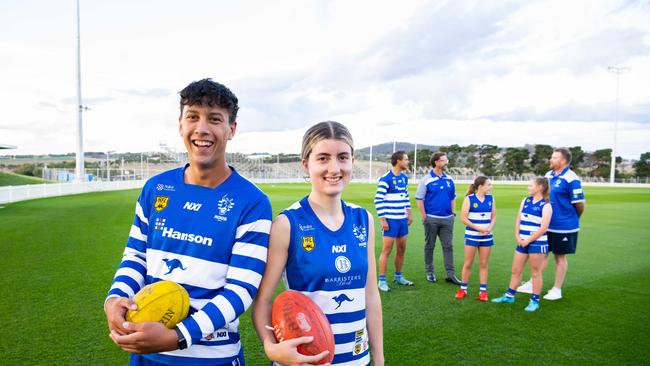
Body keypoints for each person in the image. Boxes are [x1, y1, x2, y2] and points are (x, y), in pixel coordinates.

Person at [104, 79, 272, 365]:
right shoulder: (155, 188)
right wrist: (115, 299)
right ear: (180, 124)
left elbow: (241, 290)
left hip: (213, 358)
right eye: (192, 116)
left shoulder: (252, 203)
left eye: (215, 119)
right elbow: (135, 257)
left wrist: (178, 336)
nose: (202, 128)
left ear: (231, 130)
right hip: (148, 354)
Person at [252, 121, 384, 366]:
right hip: (303, 361)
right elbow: (263, 300)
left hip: (357, 360)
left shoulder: (363, 220)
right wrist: (272, 349)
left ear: (352, 162)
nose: (334, 168)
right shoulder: (287, 224)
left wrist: (379, 359)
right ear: (306, 164)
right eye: (323, 158)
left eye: (343, 157)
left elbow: (371, 293)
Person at [517, 148, 585, 300]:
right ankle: (532, 282)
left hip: (564, 226)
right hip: (546, 225)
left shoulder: (571, 178)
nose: (551, 160)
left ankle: (557, 289)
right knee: (542, 254)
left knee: (560, 257)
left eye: (554, 158)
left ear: (563, 161)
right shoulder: (548, 176)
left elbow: (580, 204)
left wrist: (572, 219)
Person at [492, 178, 552, 312]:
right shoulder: (526, 200)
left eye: (531, 185)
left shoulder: (546, 205)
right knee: (515, 270)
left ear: (540, 187)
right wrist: (517, 236)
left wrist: (528, 240)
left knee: (535, 273)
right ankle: (509, 296)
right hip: (522, 241)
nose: (528, 187)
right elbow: (519, 219)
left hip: (537, 243)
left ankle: (534, 301)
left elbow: (543, 228)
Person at [415, 152, 461, 285]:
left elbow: (453, 197)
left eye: (446, 160)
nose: (446, 162)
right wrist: (424, 217)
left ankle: (450, 275)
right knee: (430, 246)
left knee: (448, 246)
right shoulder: (426, 180)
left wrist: (453, 213)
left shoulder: (449, 179)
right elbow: (419, 199)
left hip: (447, 219)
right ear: (436, 162)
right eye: (444, 160)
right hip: (431, 219)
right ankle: (430, 272)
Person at [375, 150, 414, 292]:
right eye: (406, 159)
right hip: (390, 220)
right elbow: (378, 199)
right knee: (387, 250)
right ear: (398, 161)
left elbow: (406, 197)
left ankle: (398, 277)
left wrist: (409, 213)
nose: (408, 161)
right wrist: (383, 219)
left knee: (402, 249)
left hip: (402, 219)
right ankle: (382, 280)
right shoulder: (386, 179)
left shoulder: (404, 178)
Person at [455, 176, 496, 302]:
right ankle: (463, 289)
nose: (490, 187)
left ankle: (483, 291)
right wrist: (479, 229)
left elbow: (493, 216)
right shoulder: (469, 199)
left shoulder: (490, 198)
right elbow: (463, 218)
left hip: (486, 237)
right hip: (472, 236)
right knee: (468, 263)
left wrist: (489, 228)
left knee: (484, 264)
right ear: (480, 186)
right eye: (488, 184)